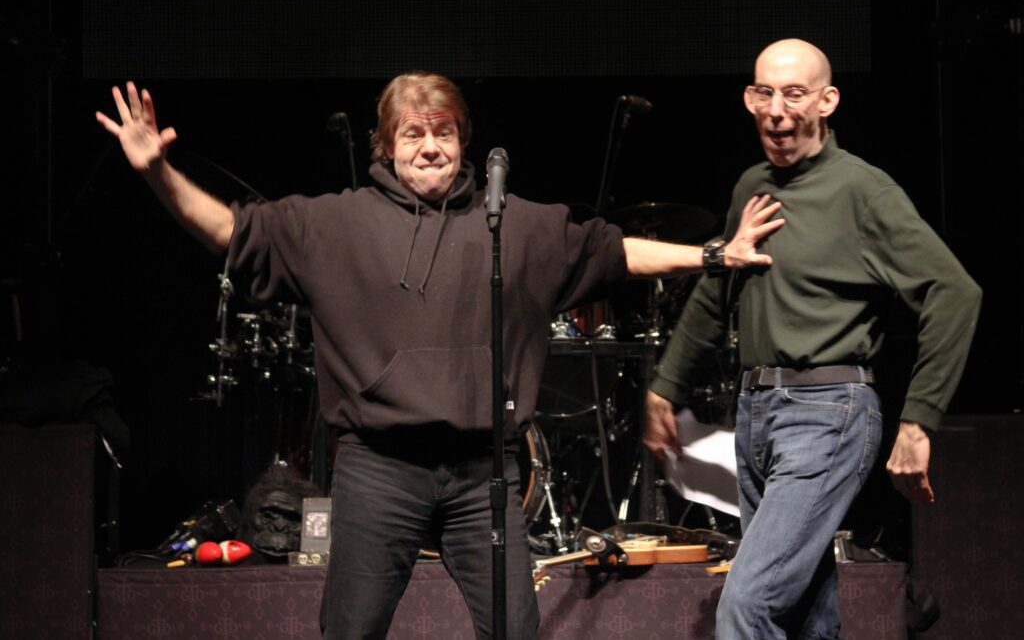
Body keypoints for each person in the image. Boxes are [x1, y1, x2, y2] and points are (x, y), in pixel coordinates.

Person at [97, 72, 782, 639]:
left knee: (516, 631)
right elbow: (230, 231)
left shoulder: (511, 223)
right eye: (413, 134)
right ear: (386, 145)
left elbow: (616, 251)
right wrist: (158, 173)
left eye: (444, 132)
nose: (430, 147)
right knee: (351, 629)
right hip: (378, 470)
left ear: (464, 141)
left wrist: (716, 254)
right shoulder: (330, 224)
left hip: (484, 475)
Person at [644, 39, 982, 639]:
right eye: (763, 92)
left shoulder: (862, 191)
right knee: (806, 615)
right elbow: (715, 288)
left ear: (827, 101)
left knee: (745, 606)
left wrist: (918, 420)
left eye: (794, 93)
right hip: (756, 413)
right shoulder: (753, 184)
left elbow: (955, 292)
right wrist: (666, 386)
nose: (776, 109)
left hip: (829, 413)